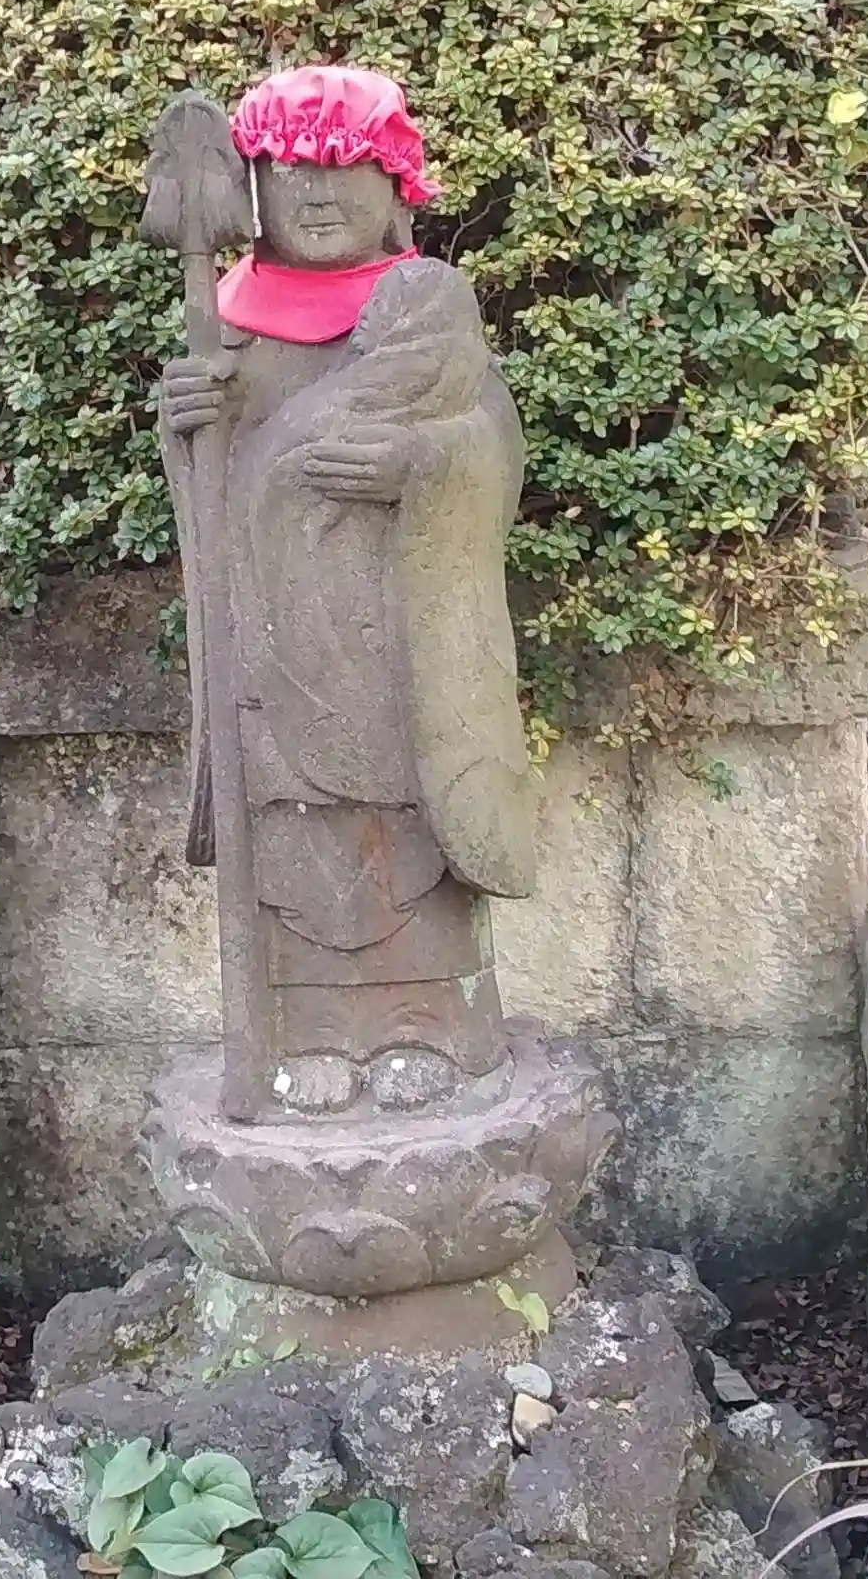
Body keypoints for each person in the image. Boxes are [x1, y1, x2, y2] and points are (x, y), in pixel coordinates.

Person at [158, 66, 535, 1116]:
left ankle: (432, 1027)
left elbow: (494, 450)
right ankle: (300, 1036)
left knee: (409, 830)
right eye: (288, 172)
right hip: (276, 644)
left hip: (399, 642)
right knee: (290, 833)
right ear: (254, 192)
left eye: (344, 169)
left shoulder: (428, 314)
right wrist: (187, 425)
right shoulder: (232, 324)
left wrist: (419, 465)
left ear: (396, 187)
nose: (316, 193)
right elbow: (208, 485)